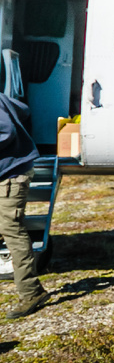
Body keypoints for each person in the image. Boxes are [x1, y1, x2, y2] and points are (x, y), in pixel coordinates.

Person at [0, 92, 50, 319]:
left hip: (10, 176)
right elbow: (23, 109)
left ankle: (31, 292)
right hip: (11, 171)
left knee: (12, 230)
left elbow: (6, 131)